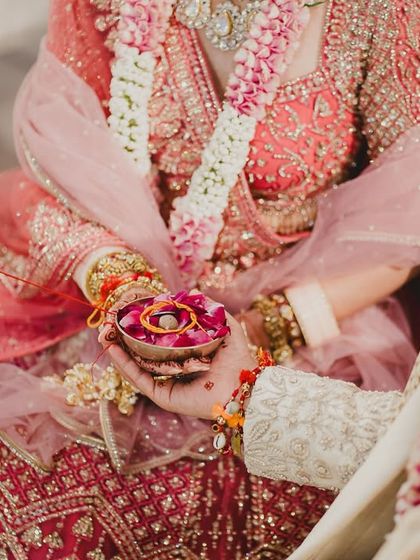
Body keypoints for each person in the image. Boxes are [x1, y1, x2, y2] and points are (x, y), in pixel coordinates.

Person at [0, 0, 418, 557]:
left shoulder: (376, 13)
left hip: (314, 328)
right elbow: (61, 176)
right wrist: (126, 291)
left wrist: (267, 329)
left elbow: (402, 224)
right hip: (117, 319)